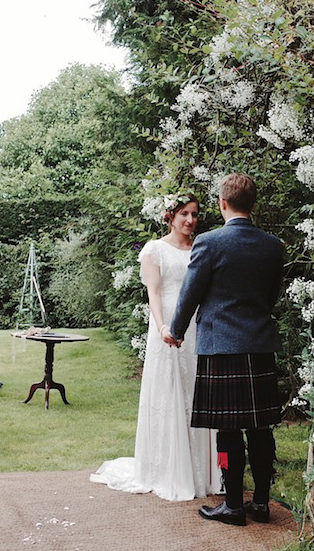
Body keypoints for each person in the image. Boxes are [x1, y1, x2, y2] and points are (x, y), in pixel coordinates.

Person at [169, 173, 286, 526]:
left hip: (221, 346)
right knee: (261, 428)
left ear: (222, 203)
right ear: (253, 205)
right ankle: (262, 503)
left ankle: (233, 504)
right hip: (259, 344)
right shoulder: (273, 245)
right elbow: (271, 297)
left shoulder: (209, 242)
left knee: (228, 429)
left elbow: (190, 294)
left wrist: (175, 330)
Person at [91, 194, 222, 501]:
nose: (190, 220)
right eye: (184, 214)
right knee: (171, 394)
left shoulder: (202, 248)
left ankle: (203, 472)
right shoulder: (155, 249)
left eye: (194, 214)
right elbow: (154, 292)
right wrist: (164, 326)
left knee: (197, 393)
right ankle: (169, 471)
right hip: (167, 327)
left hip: (197, 329)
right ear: (170, 216)